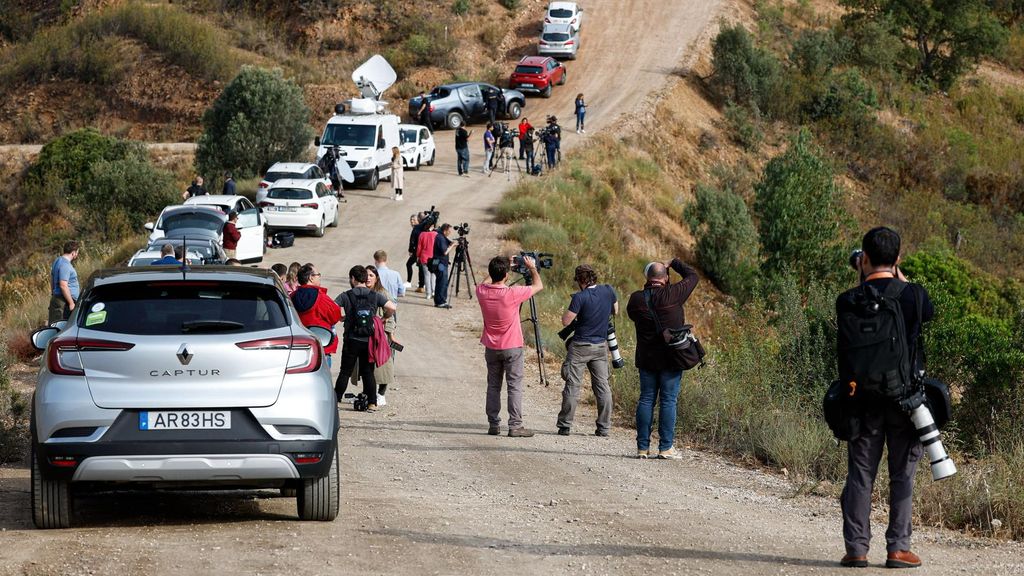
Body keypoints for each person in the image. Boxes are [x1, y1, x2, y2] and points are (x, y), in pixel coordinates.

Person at [836, 227, 934, 570]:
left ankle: (857, 549)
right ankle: (898, 549)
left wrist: (864, 278)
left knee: (861, 475)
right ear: (898, 259)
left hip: (860, 401)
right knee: (902, 475)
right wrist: (901, 280)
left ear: (862, 258)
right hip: (906, 402)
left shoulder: (847, 299)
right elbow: (927, 312)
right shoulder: (913, 296)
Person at [626, 257, 699, 460]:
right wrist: (674, 262)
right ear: (665, 278)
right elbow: (693, 275)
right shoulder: (673, 294)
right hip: (671, 357)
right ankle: (665, 448)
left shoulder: (636, 299)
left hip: (647, 357)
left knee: (646, 398)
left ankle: (642, 449)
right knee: (668, 400)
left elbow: (633, 316)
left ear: (647, 278)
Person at [476, 255, 544, 437]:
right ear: (507, 275)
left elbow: (487, 280)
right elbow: (538, 286)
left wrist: (501, 266)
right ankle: (515, 425)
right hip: (512, 346)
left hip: (491, 346)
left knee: (493, 386)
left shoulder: (481, 291)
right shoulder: (512, 294)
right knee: (514, 386)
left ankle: (493, 424)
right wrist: (532, 267)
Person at [557, 264, 618, 437]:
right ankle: (604, 427)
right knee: (603, 387)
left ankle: (565, 425)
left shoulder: (580, 297)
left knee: (573, 385)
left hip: (580, 347)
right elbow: (616, 310)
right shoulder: (608, 290)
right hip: (600, 346)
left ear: (579, 280)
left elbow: (565, 322)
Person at [335, 265, 397, 410]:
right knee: (368, 372)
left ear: (352, 278)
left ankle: (336, 400)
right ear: (364, 278)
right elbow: (392, 307)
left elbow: (331, 307)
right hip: (368, 340)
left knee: (345, 371)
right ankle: (372, 403)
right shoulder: (375, 295)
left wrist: (342, 317)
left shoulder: (346, 295)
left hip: (351, 339)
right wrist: (384, 318)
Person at [291, 263, 342, 367]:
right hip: (321, 346)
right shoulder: (322, 299)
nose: (319, 277)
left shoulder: (291, 297)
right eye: (318, 275)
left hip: (299, 346)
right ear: (311, 278)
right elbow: (335, 317)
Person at [48, 240, 80, 324]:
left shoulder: (57, 261)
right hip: (64, 302)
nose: (77, 255)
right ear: (73, 253)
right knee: (60, 327)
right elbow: (63, 285)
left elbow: (52, 278)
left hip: (58, 299)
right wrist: (71, 303)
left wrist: (53, 292)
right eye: (77, 252)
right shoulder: (65, 265)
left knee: (56, 325)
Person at [432, 223, 456, 309]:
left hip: (439, 262)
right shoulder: (440, 238)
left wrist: (455, 243)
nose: (450, 233)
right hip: (440, 264)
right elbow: (445, 252)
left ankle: (440, 301)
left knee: (442, 282)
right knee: (442, 282)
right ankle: (440, 302)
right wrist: (453, 245)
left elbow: (448, 244)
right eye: (449, 231)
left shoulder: (441, 236)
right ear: (445, 230)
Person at [416, 220, 438, 300]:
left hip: (424, 257)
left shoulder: (422, 234)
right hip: (435, 258)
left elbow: (419, 247)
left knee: (426, 275)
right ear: (432, 226)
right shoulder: (436, 234)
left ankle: (428, 294)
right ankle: (434, 291)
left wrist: (418, 256)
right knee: (434, 274)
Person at [406, 213, 426, 291]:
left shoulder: (417, 228)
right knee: (418, 266)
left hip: (417, 251)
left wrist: (410, 250)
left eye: (414, 220)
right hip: (417, 251)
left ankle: (410, 282)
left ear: (418, 221)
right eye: (411, 220)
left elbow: (412, 241)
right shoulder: (419, 228)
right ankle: (421, 283)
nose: (412, 221)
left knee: (410, 264)